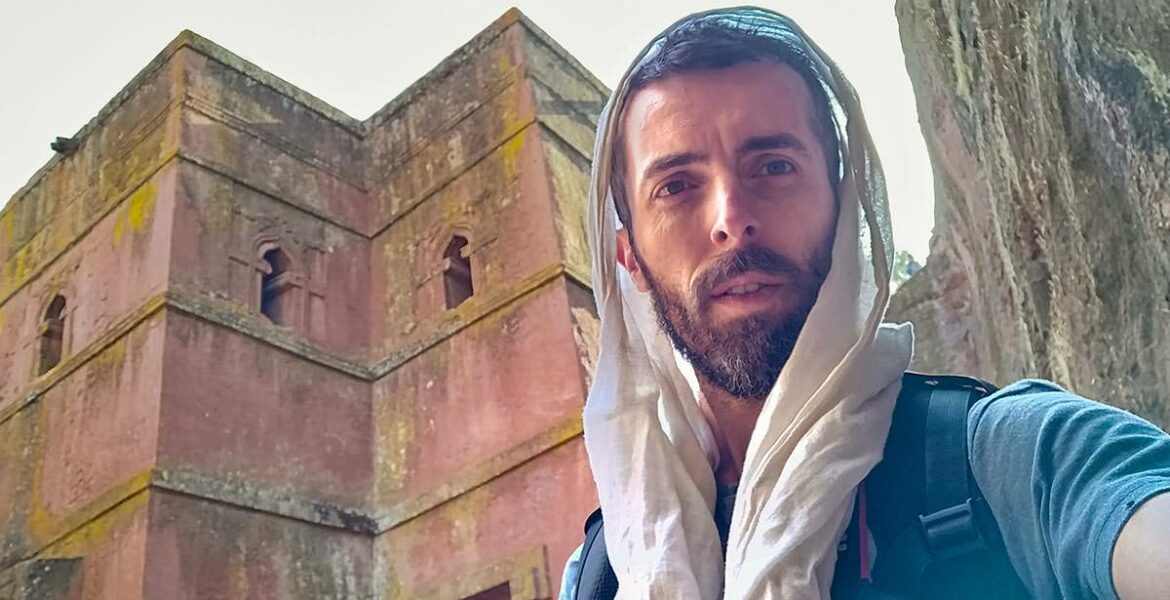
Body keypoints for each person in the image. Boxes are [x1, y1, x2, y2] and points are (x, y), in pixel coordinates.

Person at [561, 7, 1170, 600]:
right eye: (676, 187)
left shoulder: (1004, 459)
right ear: (630, 258)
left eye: (773, 166)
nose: (732, 220)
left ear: (844, 203)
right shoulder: (601, 573)